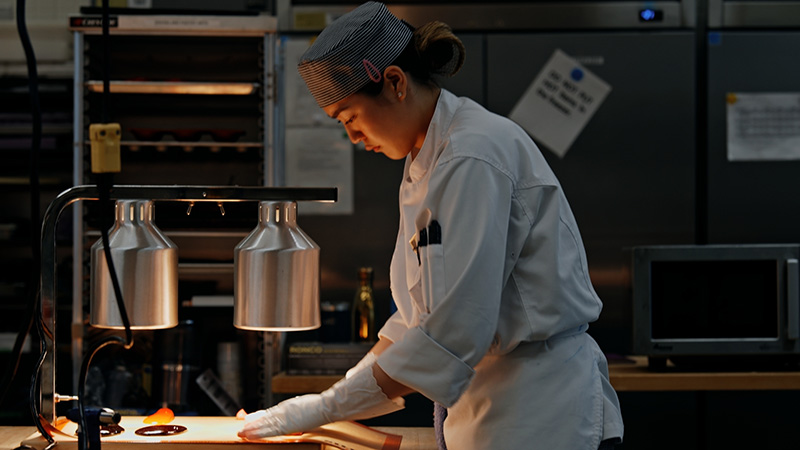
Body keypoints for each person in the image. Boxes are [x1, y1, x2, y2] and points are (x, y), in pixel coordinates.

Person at [238, 2, 624, 449]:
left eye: (350, 118)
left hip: (540, 415)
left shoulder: (472, 154)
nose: (353, 138)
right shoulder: (428, 159)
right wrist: (327, 401)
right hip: (488, 413)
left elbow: (454, 331)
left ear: (396, 82)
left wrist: (326, 407)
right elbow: (416, 323)